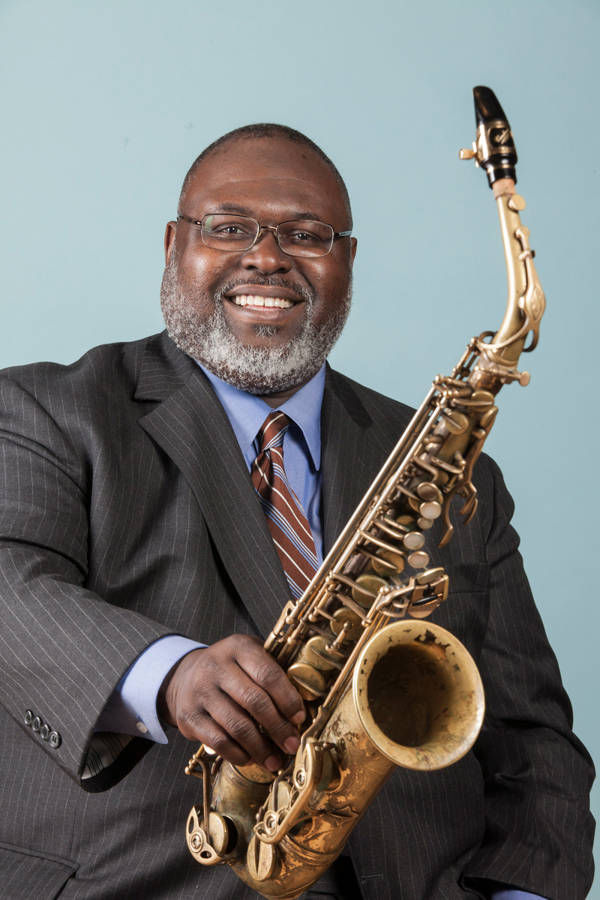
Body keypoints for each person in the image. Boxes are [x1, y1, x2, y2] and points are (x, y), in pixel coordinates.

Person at [0, 125, 594, 900]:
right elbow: (12, 589)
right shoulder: (45, 410)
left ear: (347, 262)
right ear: (175, 244)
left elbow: (532, 742)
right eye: (229, 227)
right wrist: (172, 672)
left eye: (306, 235)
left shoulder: (456, 471)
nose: (268, 256)